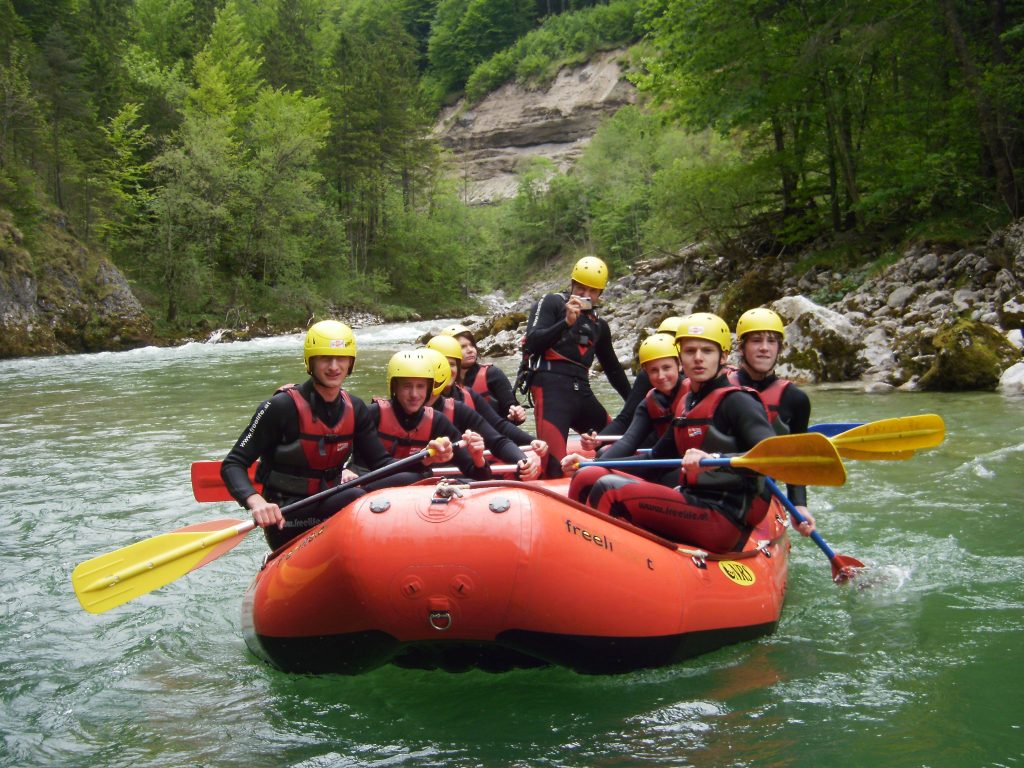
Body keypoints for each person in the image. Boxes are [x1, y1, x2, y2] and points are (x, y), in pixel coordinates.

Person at [574, 313, 816, 553]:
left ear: (723, 356)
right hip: (694, 501)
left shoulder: (738, 401)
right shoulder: (687, 402)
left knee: (610, 489)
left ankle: (597, 565)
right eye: (690, 352)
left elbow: (774, 458)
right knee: (589, 476)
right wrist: (590, 464)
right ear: (681, 357)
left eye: (707, 351)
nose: (698, 359)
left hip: (724, 515)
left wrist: (714, 462)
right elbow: (654, 458)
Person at [221, 321, 455, 550]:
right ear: (310, 362)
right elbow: (233, 464)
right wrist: (256, 502)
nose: (334, 366)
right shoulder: (281, 407)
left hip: (332, 500)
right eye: (325, 358)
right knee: (353, 495)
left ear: (351, 362)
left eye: (341, 358)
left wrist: (425, 458)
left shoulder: (354, 408)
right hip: (288, 514)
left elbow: (382, 464)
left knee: (417, 476)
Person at [522, 256, 632, 474]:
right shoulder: (552, 302)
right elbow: (532, 342)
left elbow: (613, 369)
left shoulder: (600, 325)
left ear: (600, 294)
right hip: (551, 390)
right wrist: (565, 323)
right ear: (572, 283)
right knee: (553, 470)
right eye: (581, 288)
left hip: (582, 392)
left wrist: (636, 404)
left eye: (592, 291)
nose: (585, 295)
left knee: (623, 442)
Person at [563, 332, 685, 499]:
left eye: (666, 368)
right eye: (654, 370)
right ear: (646, 373)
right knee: (597, 466)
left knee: (666, 477)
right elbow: (628, 441)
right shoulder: (649, 403)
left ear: (679, 365)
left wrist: (592, 465)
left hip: (687, 467)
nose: (661, 376)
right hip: (663, 460)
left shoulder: (691, 396)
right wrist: (592, 465)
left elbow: (659, 453)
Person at [728, 307, 813, 521]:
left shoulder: (795, 399)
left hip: (762, 490)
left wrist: (799, 505)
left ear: (779, 348)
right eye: (756, 340)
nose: (764, 348)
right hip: (716, 482)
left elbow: (796, 459)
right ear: (741, 347)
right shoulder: (718, 387)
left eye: (771, 341)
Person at [364, 349, 492, 481]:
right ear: (394, 387)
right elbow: (362, 466)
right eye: (407, 386)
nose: (414, 394)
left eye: (420, 386)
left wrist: (478, 459)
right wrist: (424, 460)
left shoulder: (437, 421)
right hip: (376, 491)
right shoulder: (372, 415)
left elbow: (480, 476)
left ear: (428, 388)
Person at [420, 343, 542, 480]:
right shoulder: (411, 405)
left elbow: (497, 432)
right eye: (439, 365)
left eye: (452, 364)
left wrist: (530, 445)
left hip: (463, 469)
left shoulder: (462, 403)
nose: (446, 370)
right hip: (424, 475)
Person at [579, 315, 689, 452]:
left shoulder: (698, 382)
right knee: (603, 452)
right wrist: (599, 440)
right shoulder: (648, 388)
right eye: (654, 370)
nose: (661, 375)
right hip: (656, 443)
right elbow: (626, 420)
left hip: (685, 448)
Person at [440, 324, 526, 425]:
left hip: (497, 435)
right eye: (463, 347)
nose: (470, 350)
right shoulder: (440, 382)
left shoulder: (493, 374)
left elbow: (511, 406)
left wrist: (517, 414)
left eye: (472, 345)